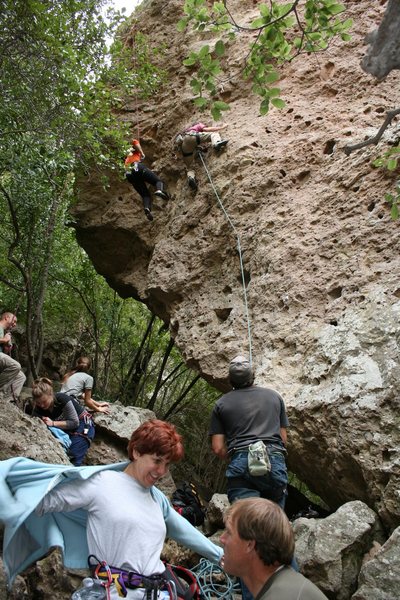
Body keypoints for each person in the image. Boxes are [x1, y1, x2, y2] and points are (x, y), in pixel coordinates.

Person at [0, 419, 224, 598]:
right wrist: (10, 508)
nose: (162, 471)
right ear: (136, 452)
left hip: (159, 591)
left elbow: (184, 531)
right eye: (157, 461)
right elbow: (42, 501)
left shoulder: (157, 499)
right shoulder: (101, 483)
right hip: (114, 591)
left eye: (167, 464)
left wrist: (222, 557)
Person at [209, 355, 289, 508]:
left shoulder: (221, 404)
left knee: (246, 520)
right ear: (253, 376)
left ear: (229, 379)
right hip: (273, 458)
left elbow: (218, 448)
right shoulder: (274, 397)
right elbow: (283, 439)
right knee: (272, 520)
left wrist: (236, 456)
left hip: (241, 460)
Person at [220, 498, 328, 600]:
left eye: (229, 532)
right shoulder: (287, 585)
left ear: (250, 545)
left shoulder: (280, 595)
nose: (222, 539)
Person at [32, 377, 95, 466]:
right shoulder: (38, 410)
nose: (42, 405)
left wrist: (53, 423)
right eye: (38, 403)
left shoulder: (62, 399)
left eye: (44, 401)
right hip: (64, 430)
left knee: (73, 456)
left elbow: (74, 422)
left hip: (82, 424)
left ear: (51, 394)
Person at [125, 139, 170, 222]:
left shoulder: (127, 158)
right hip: (136, 166)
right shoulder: (134, 152)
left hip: (128, 174)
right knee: (157, 181)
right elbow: (134, 142)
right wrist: (142, 153)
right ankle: (160, 190)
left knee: (145, 195)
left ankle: (147, 209)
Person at [176, 122, 229, 191]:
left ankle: (191, 178)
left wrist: (200, 148)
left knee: (189, 168)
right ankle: (216, 143)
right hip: (193, 136)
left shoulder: (185, 131)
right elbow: (207, 130)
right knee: (214, 134)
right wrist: (222, 127)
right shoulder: (198, 125)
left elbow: (192, 146)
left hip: (184, 146)